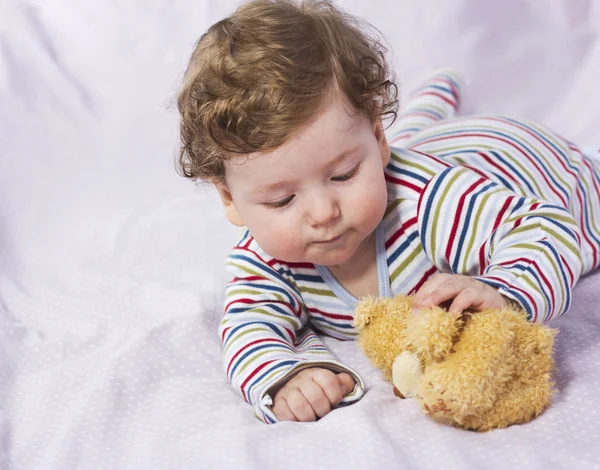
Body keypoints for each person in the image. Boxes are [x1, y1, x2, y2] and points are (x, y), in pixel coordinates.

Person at [176, 0, 600, 423]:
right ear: (230, 199)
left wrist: (504, 290)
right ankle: (431, 99)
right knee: (414, 136)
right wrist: (288, 375)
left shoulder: (427, 204)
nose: (323, 213)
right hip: (421, 146)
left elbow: (549, 229)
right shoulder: (265, 258)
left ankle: (436, 99)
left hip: (520, 159)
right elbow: (248, 326)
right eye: (282, 200)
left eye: (342, 175)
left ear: (379, 139)